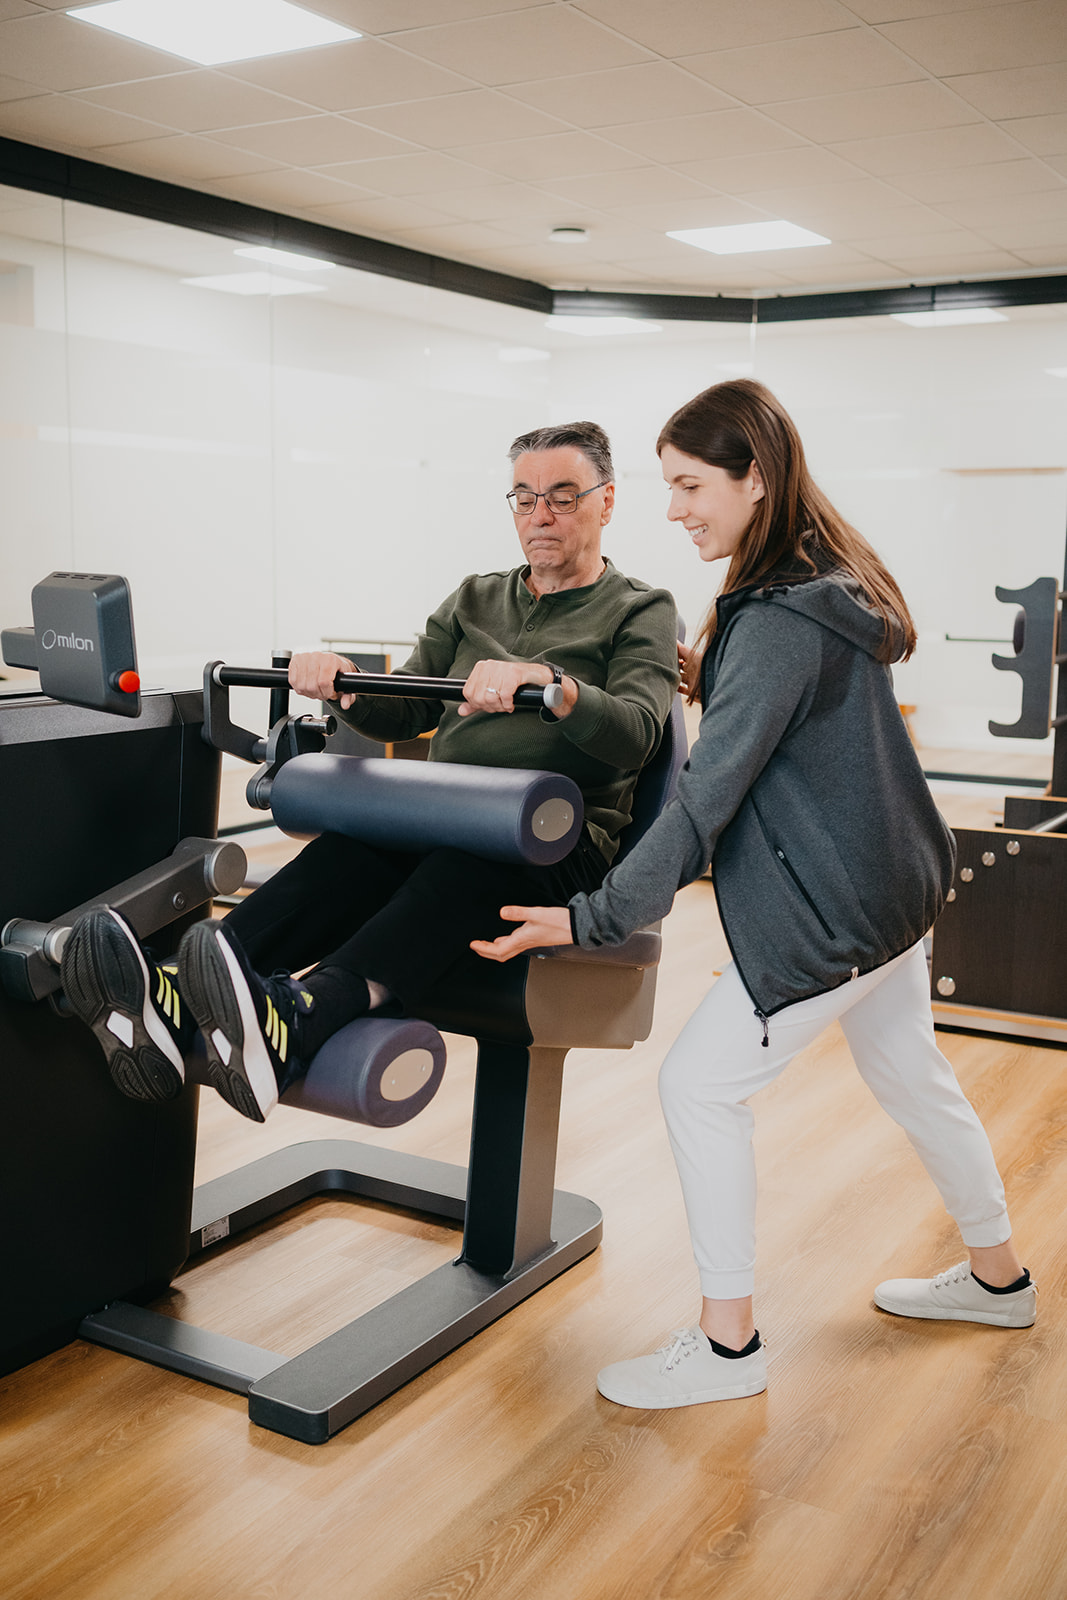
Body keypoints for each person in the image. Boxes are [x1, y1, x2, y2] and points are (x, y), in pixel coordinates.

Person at [472, 379, 1035, 1411]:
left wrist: (594, 914)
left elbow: (697, 808)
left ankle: (726, 1345)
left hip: (835, 908)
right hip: (894, 885)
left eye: (690, 484)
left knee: (697, 1086)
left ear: (754, 480)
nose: (676, 506)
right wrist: (701, 673)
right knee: (912, 1074)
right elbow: (779, 713)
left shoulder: (774, 617)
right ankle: (998, 1278)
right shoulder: (815, 578)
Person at [61, 421, 679, 1124]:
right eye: (524, 497)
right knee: (353, 853)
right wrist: (347, 685)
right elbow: (404, 711)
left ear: (605, 502)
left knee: (462, 865)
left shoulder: (640, 609)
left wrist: (554, 685)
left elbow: (635, 735)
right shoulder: (475, 598)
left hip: (554, 847)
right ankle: (175, 1000)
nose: (541, 515)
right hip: (447, 818)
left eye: (563, 496)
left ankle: (298, 1019)